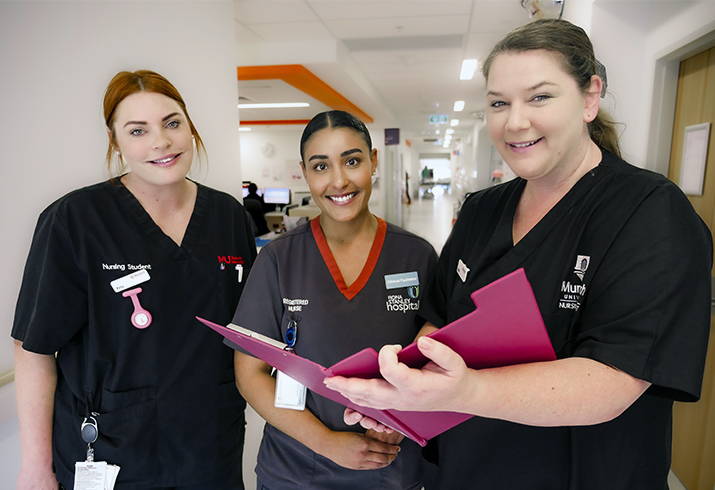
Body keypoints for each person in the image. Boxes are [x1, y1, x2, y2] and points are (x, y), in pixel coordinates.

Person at [325, 19, 713, 490]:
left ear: (590, 97)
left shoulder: (649, 213)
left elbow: (614, 380)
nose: (515, 121)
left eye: (540, 97)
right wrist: (401, 394)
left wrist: (468, 390)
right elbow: (438, 322)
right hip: (468, 466)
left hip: (583, 473)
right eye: (498, 103)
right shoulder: (482, 210)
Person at [12, 70, 257, 489]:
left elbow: (251, 330)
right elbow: (32, 347)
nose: (160, 142)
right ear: (116, 142)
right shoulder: (74, 221)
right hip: (111, 451)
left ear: (189, 127)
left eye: (172, 123)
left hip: (210, 447)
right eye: (138, 130)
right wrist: (36, 466)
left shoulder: (227, 216)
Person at [231, 110, 438, 490]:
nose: (339, 180)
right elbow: (249, 373)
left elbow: (438, 356)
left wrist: (407, 419)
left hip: (392, 466)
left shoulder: (416, 256)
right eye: (321, 166)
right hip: (296, 469)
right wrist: (325, 442)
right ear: (306, 172)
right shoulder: (279, 259)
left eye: (353, 161)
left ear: (373, 162)